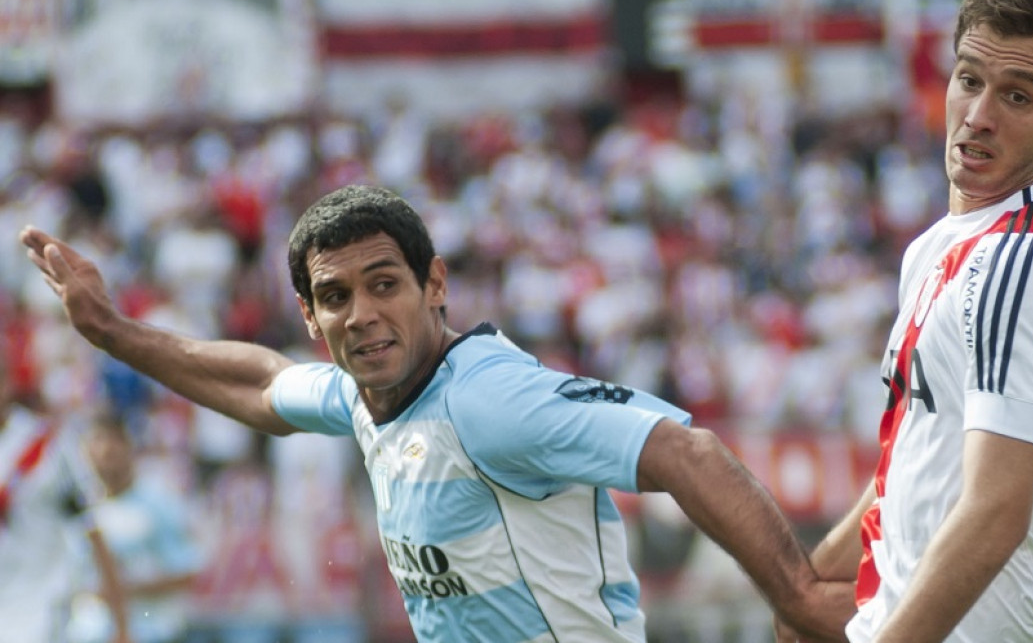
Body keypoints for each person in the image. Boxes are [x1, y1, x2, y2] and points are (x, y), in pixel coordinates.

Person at [20, 184, 855, 643]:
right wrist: (114, 332)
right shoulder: (362, 395)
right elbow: (262, 386)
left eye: (385, 284)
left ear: (436, 286)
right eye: (335, 298)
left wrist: (796, 595)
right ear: (312, 318)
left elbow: (687, 450)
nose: (362, 314)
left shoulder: (491, 399)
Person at [776, 0, 1033, 643]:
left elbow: (993, 512)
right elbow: (921, 460)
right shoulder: (940, 247)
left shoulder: (1030, 261)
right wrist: (807, 589)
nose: (977, 116)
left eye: (1018, 96)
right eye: (970, 79)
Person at [0, 363, 131, 643]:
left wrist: (121, 626)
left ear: (8, 383)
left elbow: (91, 529)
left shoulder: (47, 444)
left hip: (39, 607)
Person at [75, 414, 204, 643]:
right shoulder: (79, 507)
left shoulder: (159, 502)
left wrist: (124, 589)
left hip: (151, 630)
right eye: (97, 442)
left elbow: (187, 571)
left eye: (114, 442)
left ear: (129, 448)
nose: (105, 451)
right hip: (91, 633)